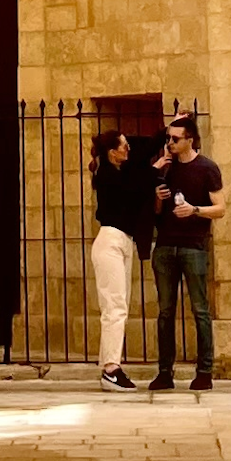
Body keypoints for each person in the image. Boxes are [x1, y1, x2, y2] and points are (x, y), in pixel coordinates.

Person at [146, 116, 225, 393]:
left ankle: (204, 371)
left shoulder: (207, 168)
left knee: (200, 310)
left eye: (175, 139)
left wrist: (194, 210)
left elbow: (221, 208)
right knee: (165, 312)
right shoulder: (165, 169)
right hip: (166, 246)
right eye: (168, 138)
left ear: (190, 139)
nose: (170, 143)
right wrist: (158, 196)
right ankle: (164, 372)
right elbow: (156, 212)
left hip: (193, 246)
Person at [88, 130, 153, 390]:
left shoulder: (119, 174)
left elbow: (142, 149)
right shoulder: (107, 176)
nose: (129, 150)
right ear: (112, 152)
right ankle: (111, 369)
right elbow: (132, 186)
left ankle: (110, 365)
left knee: (119, 306)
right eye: (124, 146)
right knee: (114, 307)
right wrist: (152, 170)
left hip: (123, 241)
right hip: (111, 241)